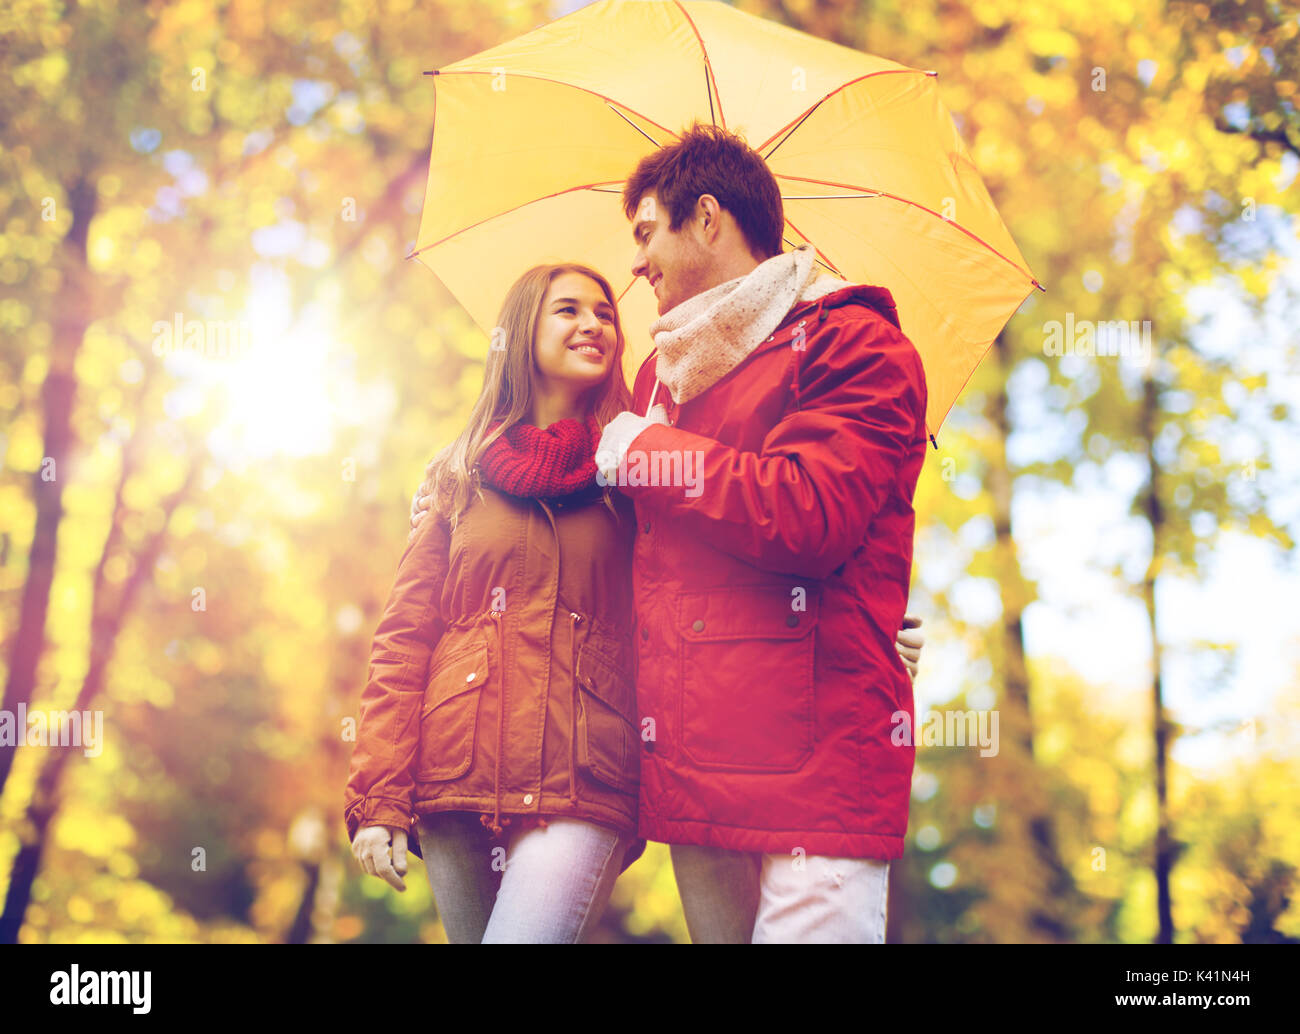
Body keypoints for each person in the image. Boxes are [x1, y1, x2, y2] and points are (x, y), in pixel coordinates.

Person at [590, 122, 930, 943]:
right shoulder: (659, 379)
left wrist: (649, 453)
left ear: (707, 217)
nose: (634, 263)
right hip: (694, 769)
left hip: (816, 772)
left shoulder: (855, 342)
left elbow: (809, 511)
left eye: (646, 232)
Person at [345, 263, 646, 943]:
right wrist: (380, 800)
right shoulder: (457, 474)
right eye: (568, 310)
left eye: (604, 313)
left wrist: (860, 622)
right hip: (456, 778)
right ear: (519, 333)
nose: (594, 324)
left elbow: (705, 586)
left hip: (583, 778)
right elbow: (404, 638)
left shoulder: (635, 470)